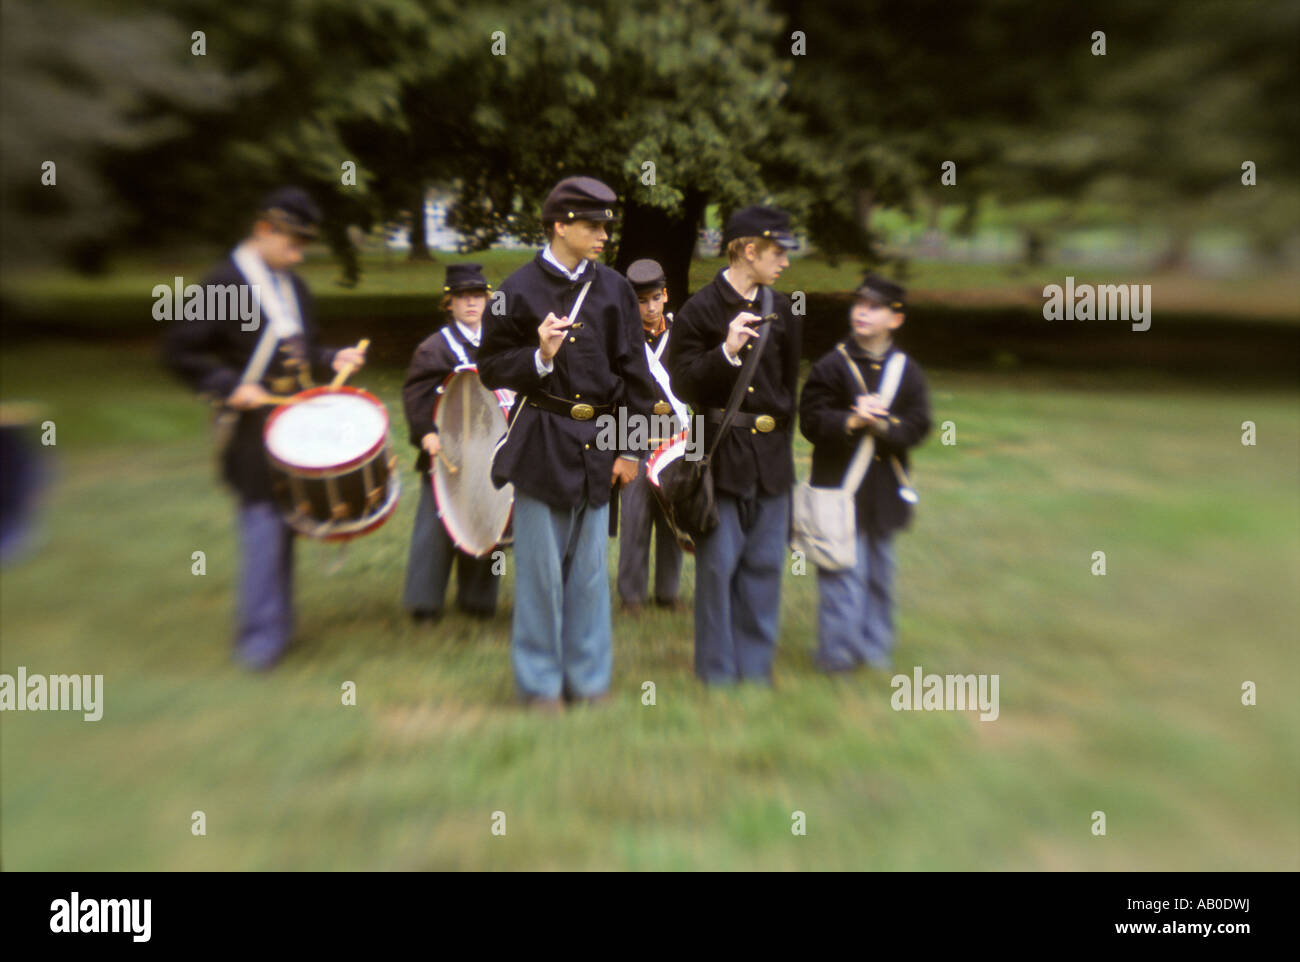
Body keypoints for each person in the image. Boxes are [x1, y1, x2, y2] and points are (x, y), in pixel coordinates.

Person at [164, 186, 366, 670]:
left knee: (289, 521)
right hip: (252, 427)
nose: (297, 254)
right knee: (262, 524)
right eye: (291, 243)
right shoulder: (223, 284)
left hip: (294, 421)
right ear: (263, 230)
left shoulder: (293, 287)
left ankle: (278, 625)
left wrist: (329, 358)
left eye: (303, 245)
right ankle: (257, 641)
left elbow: (301, 349)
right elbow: (179, 351)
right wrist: (226, 384)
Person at [477, 176, 659, 711]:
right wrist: (537, 358)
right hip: (542, 439)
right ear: (561, 225)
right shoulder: (514, 290)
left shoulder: (615, 290)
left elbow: (635, 374)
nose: (604, 233)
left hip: (601, 441)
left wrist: (630, 450)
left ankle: (589, 680)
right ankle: (538, 685)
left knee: (587, 576)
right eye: (593, 224)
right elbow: (489, 368)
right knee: (538, 573)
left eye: (607, 224)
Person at [665, 206, 801, 685]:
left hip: (771, 462)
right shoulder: (699, 309)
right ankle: (717, 674)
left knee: (764, 567)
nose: (785, 262)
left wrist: (783, 459)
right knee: (718, 569)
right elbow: (682, 386)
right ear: (748, 250)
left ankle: (756, 669)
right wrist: (724, 353)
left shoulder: (782, 309)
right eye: (777, 252)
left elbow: (788, 390)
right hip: (717, 456)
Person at [797, 274, 931, 672]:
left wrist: (886, 426)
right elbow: (812, 421)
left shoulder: (907, 372)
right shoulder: (831, 366)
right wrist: (853, 420)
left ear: (896, 319)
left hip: (884, 492)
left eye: (874, 308)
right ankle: (837, 654)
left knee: (880, 576)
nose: (862, 313)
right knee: (841, 574)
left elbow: (919, 425)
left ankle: (874, 652)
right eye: (859, 305)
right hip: (840, 491)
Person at [400, 263, 501, 622]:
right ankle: (424, 603)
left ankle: (479, 600)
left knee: (485, 518)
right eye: (462, 298)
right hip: (444, 450)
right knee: (435, 524)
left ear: (487, 301)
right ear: (449, 304)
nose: (471, 304)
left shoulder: (497, 342)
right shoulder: (434, 348)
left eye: (477, 297)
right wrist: (424, 431)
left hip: (487, 449)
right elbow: (415, 394)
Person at [616, 258, 686, 611]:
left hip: (677, 440)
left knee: (675, 520)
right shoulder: (623, 342)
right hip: (636, 440)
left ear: (666, 296)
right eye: (642, 301)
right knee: (635, 519)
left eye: (655, 299)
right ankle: (631, 595)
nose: (650, 307)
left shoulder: (683, 335)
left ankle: (668, 592)